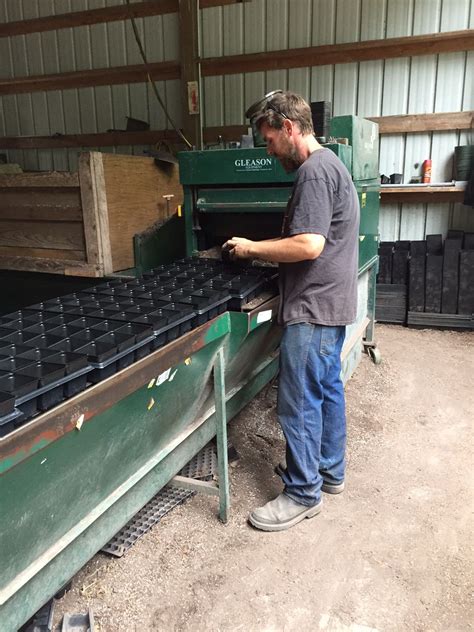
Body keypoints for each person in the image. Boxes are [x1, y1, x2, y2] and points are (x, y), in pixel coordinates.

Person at [224, 91, 360, 532]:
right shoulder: (333, 165)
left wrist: (251, 248)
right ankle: (330, 472)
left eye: (268, 140)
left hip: (313, 306)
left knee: (298, 401)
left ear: (288, 128)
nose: (267, 150)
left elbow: (309, 244)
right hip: (331, 302)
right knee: (326, 388)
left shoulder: (315, 173)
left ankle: (303, 493)